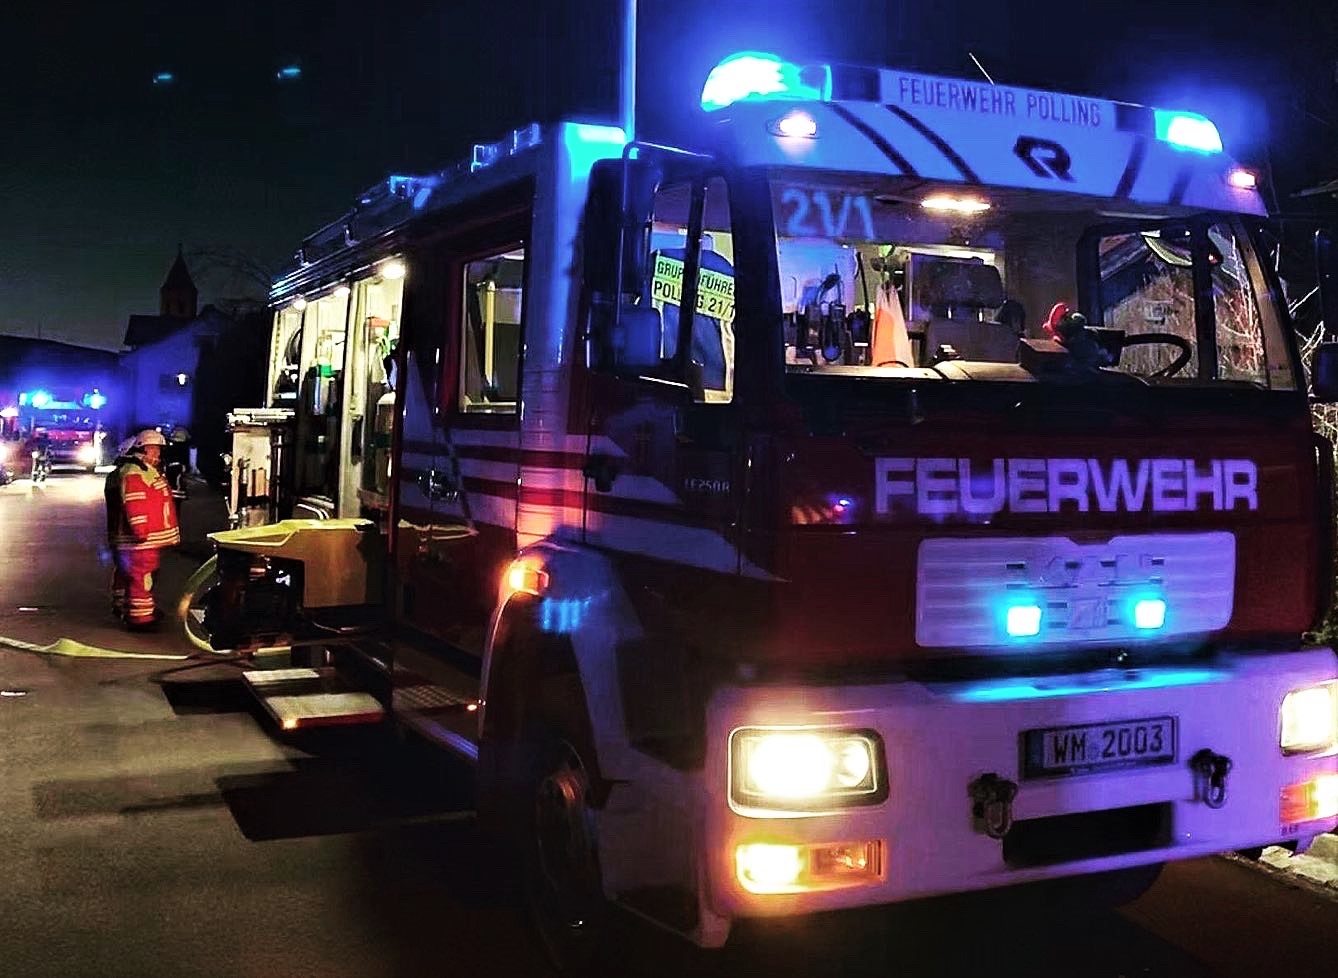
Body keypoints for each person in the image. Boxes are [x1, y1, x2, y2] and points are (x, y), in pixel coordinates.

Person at [105, 430, 181, 631]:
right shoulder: (136, 472)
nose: (158, 454)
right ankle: (141, 618)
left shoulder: (141, 470)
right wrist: (140, 531)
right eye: (155, 449)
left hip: (140, 540)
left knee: (131, 575)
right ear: (145, 449)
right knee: (142, 577)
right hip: (141, 541)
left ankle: (128, 608)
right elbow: (135, 502)